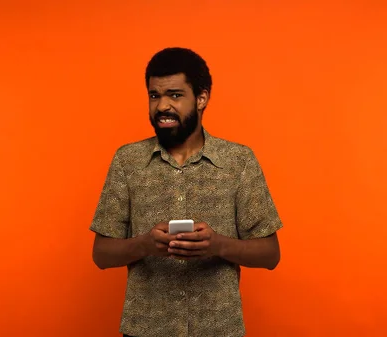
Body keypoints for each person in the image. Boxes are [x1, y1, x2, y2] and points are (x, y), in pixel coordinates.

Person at [90, 47, 283, 337]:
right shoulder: (127, 161)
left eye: (175, 95)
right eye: (154, 95)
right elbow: (101, 255)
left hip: (219, 330)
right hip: (145, 330)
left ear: (202, 98)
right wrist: (145, 245)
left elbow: (270, 254)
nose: (162, 106)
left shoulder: (239, 161)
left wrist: (216, 245)